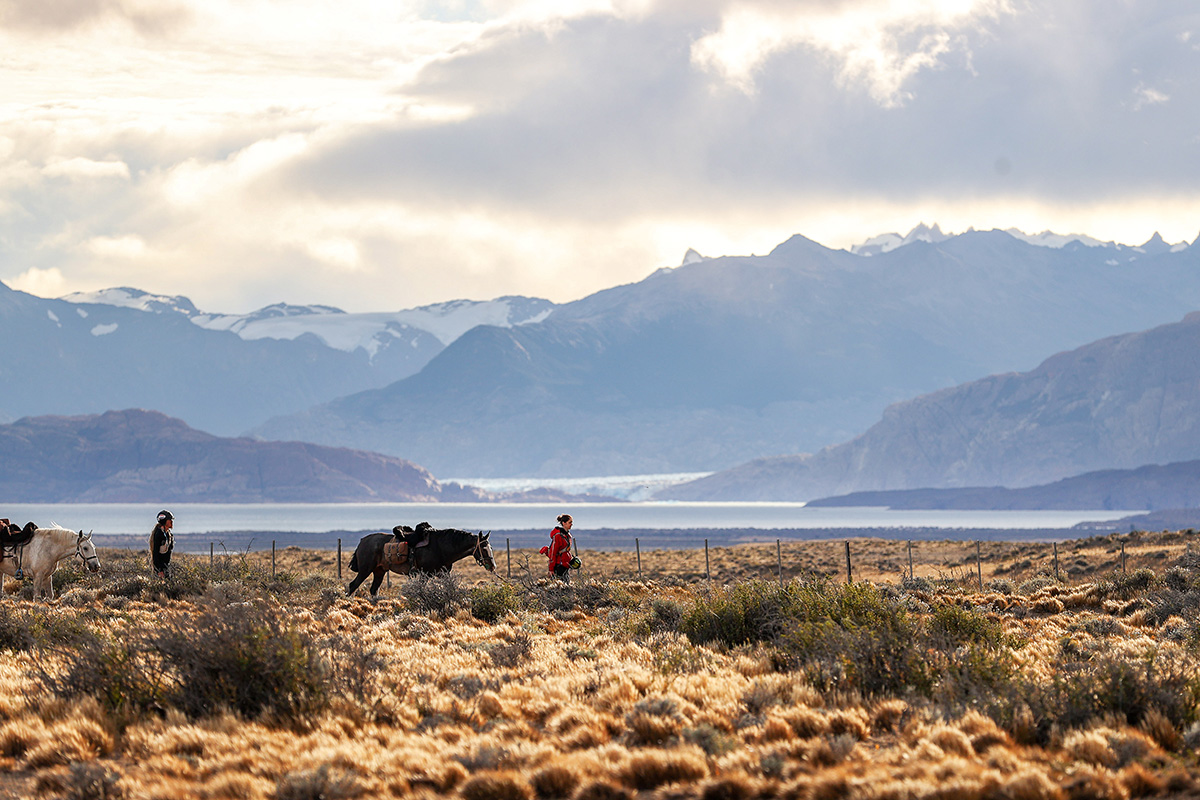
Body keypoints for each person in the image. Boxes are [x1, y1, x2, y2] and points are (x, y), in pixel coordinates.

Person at [542, 513, 577, 580]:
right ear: (564, 523)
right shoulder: (558, 536)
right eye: (570, 522)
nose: (571, 524)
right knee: (561, 586)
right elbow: (553, 552)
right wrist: (551, 569)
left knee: (566, 586)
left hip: (565, 565)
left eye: (571, 522)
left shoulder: (567, 535)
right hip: (559, 565)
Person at [150, 510, 175, 578]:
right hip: (160, 570)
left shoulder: (168, 534)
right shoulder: (159, 534)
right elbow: (155, 553)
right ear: (165, 521)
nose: (172, 522)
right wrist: (159, 570)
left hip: (166, 567)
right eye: (170, 520)